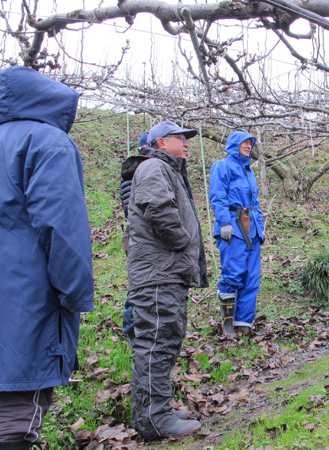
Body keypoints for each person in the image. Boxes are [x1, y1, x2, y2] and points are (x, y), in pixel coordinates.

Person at [0, 66, 94, 449]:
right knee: (15, 418)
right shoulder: (49, 143)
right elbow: (61, 229)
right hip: (28, 305)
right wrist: (76, 296)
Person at [126, 120, 208, 440]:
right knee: (156, 343)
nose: (186, 143)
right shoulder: (153, 168)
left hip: (166, 273)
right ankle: (153, 419)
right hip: (158, 273)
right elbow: (158, 208)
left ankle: (158, 408)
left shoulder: (168, 170)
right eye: (180, 138)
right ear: (161, 142)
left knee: (166, 340)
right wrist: (182, 241)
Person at [209, 131, 264, 337]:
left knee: (252, 277)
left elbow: (255, 203)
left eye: (251, 143)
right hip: (232, 228)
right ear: (234, 144)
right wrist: (224, 222)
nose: (249, 146)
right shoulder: (222, 166)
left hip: (252, 230)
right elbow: (218, 195)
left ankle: (244, 324)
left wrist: (260, 226)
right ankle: (228, 326)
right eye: (245, 142)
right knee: (233, 275)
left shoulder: (249, 172)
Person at [120, 131, 149, 345]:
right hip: (140, 238)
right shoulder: (135, 174)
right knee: (138, 285)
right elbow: (134, 211)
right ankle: (131, 330)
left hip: (142, 237)